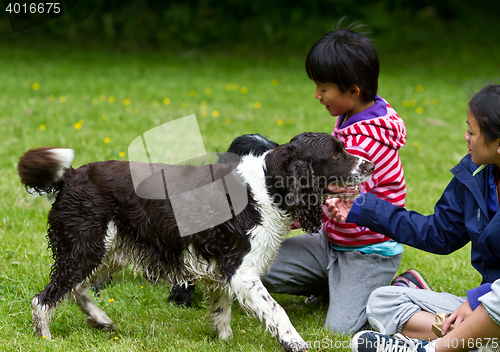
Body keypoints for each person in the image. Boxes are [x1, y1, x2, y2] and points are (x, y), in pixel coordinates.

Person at [259, 22, 409, 334]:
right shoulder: (350, 116)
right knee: (254, 265)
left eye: (323, 88)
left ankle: (402, 287)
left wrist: (287, 213)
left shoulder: (369, 142)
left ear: (353, 91)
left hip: (366, 255)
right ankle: (334, 284)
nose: (316, 94)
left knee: (339, 328)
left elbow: (338, 201)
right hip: (331, 242)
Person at [326, 84, 500, 351]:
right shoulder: (475, 177)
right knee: (382, 301)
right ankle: (470, 339)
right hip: (486, 308)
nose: (465, 136)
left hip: (493, 302)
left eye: (472, 131)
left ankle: (435, 347)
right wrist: (363, 208)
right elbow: (437, 234)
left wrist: (477, 299)